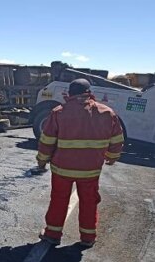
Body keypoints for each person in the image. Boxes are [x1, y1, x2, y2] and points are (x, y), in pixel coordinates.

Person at [36, 78, 124, 247]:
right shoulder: (107, 112)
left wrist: (42, 161)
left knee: (59, 200)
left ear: (69, 94)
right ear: (90, 93)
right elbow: (117, 139)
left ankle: (52, 235)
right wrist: (112, 157)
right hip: (90, 171)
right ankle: (88, 238)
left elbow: (47, 141)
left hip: (62, 170)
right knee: (89, 202)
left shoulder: (59, 112)